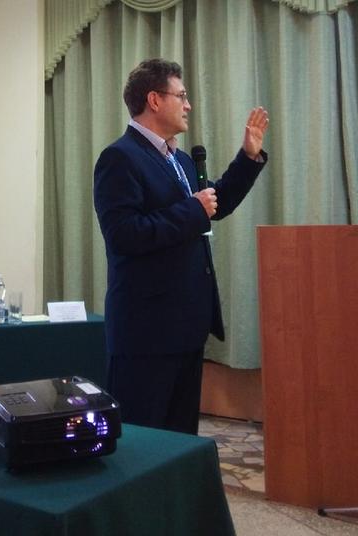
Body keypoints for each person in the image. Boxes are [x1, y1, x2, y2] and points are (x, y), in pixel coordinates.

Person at [93, 58, 269, 435]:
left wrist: (248, 157)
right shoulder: (120, 158)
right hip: (146, 330)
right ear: (154, 100)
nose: (188, 105)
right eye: (182, 96)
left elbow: (213, 204)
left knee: (179, 439)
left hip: (186, 325)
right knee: (143, 441)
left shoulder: (181, 160)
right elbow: (124, 234)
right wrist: (192, 210)